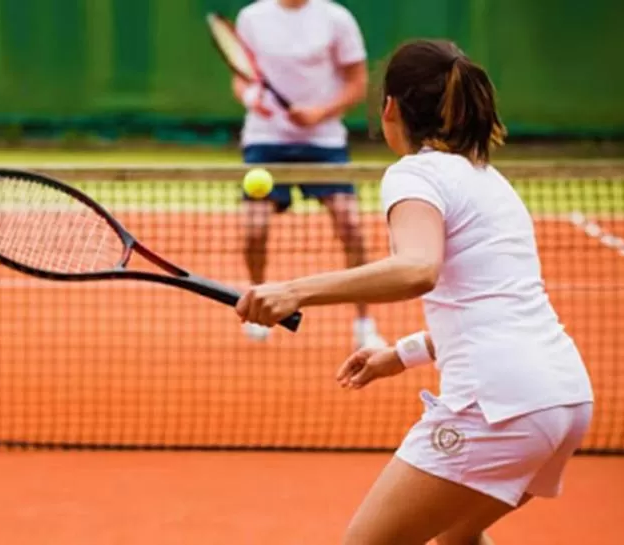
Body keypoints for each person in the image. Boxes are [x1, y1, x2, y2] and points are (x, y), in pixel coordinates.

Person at [234, 39, 595, 545]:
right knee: (457, 540)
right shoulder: (488, 179)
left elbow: (417, 269)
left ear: (390, 108)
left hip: (499, 405)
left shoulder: (415, 174)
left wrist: (295, 290)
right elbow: (491, 303)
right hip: (562, 400)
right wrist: (401, 355)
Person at [232, 0, 385, 348]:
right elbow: (242, 80)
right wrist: (250, 98)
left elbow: (357, 84)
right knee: (254, 230)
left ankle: (364, 323)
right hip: (265, 140)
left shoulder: (336, 18)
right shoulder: (251, 17)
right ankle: (259, 307)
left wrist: (320, 113)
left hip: (323, 140)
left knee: (350, 226)